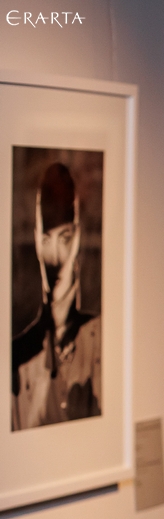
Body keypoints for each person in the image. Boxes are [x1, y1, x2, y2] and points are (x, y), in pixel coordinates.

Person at [12, 160, 101, 430]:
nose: (55, 259)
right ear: (37, 241)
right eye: (47, 241)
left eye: (64, 239)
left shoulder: (101, 337)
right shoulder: (18, 356)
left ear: (78, 238)